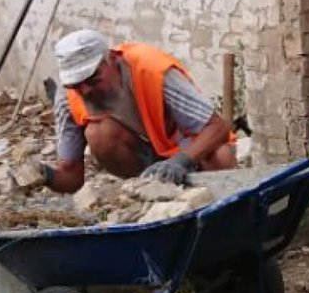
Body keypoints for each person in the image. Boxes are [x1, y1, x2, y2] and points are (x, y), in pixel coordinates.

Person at [37, 29, 237, 193]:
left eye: (93, 79)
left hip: (186, 151)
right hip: (145, 160)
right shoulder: (67, 97)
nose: (85, 90)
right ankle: (147, 190)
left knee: (220, 155)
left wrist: (182, 161)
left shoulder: (151, 70)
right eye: (76, 85)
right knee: (98, 134)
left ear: (112, 59)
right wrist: (43, 175)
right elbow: (71, 178)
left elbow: (217, 127)